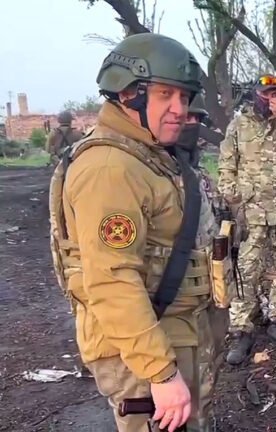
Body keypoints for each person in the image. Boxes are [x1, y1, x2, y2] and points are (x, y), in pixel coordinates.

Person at [48, 33, 228, 432]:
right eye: (165, 95)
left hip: (168, 331)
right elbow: (111, 281)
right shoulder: (111, 169)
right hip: (146, 346)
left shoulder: (147, 155)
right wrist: (161, 374)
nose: (179, 110)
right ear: (128, 94)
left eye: (184, 97)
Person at [218, 74, 276, 364]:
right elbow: (225, 164)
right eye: (265, 93)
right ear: (254, 95)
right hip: (251, 212)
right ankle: (242, 331)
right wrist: (233, 194)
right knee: (245, 270)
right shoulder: (239, 126)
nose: (269, 98)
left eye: (274, 93)